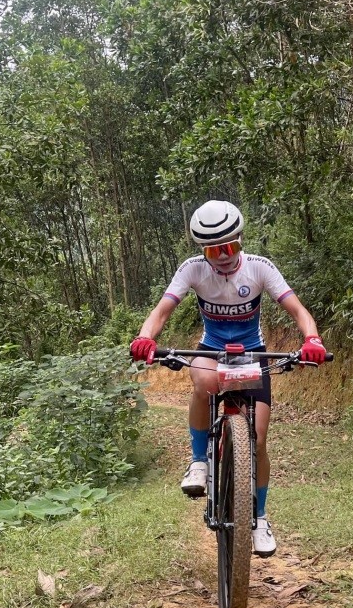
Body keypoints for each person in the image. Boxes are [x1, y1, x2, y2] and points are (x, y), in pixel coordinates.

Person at [130, 200, 326, 558]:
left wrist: (312, 340)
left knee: (259, 440)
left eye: (229, 247)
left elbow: (298, 310)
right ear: (202, 251)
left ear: (240, 240)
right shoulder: (192, 270)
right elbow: (161, 311)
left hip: (253, 352)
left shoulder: (259, 268)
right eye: (212, 250)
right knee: (203, 383)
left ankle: (260, 517)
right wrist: (146, 337)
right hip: (211, 349)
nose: (222, 256)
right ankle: (199, 461)